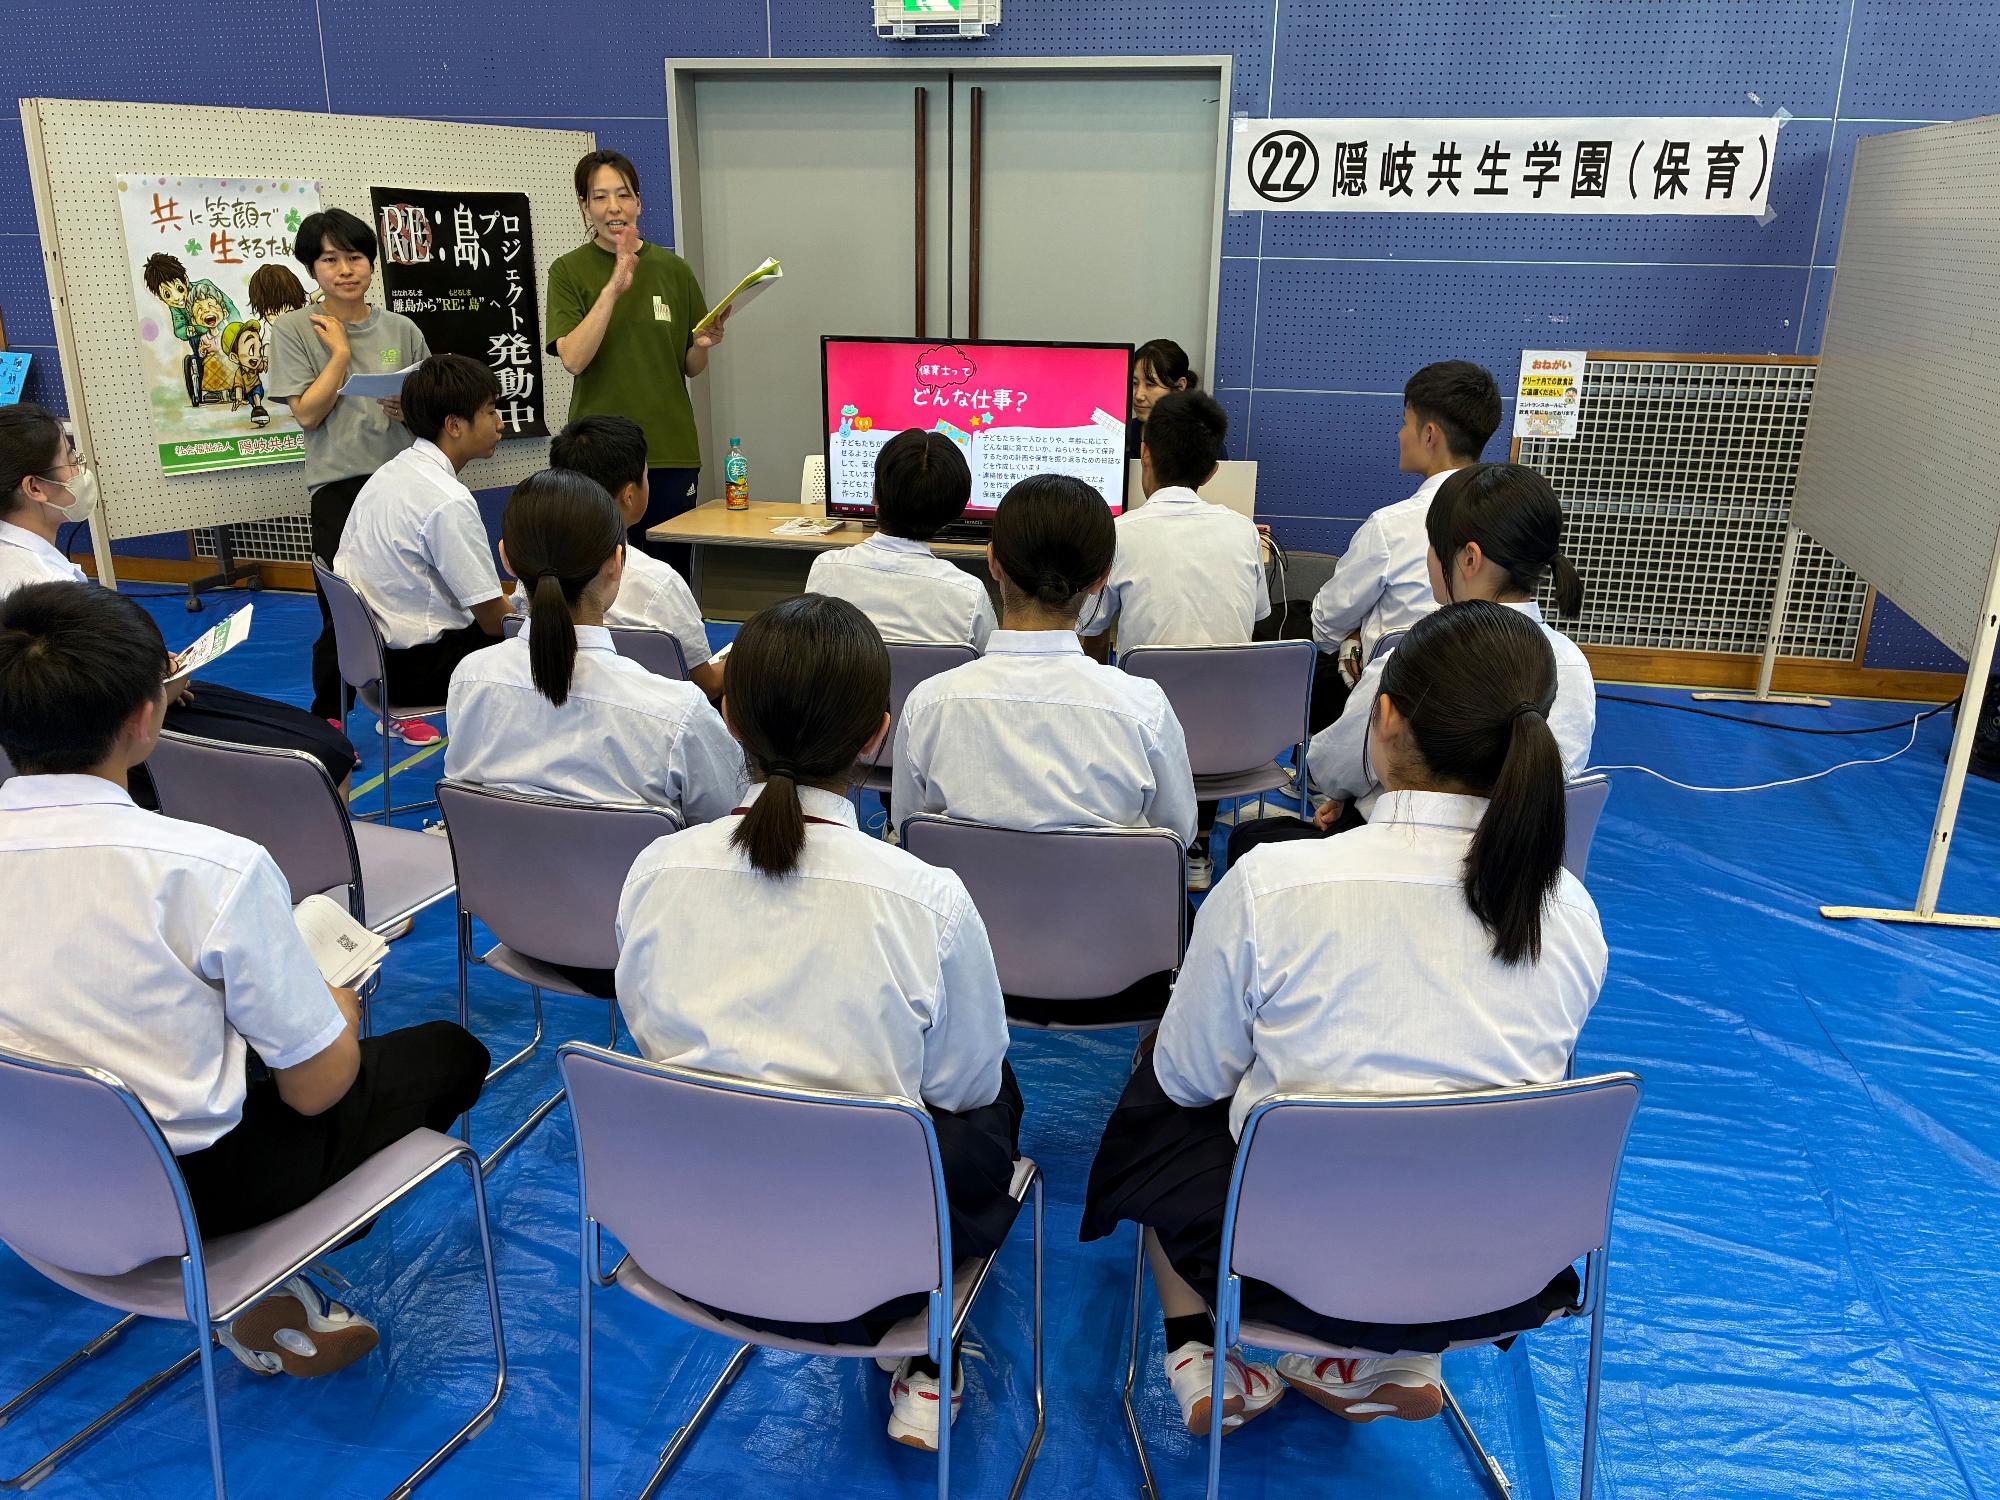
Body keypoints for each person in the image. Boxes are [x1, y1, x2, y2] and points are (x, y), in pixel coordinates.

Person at [1084, 600, 1608, 1437]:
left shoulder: (1274, 886)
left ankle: (1206, 1353)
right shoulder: (1569, 910)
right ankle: (1395, 1351)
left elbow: (1188, 1078)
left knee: (1164, 1081)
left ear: (1386, 718)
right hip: (1494, 1258)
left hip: (1289, 1250)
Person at [0, 580, 489, 1378]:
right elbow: (317, 1090)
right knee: (447, 1053)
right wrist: (334, 1002)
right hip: (187, 1197)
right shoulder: (210, 869)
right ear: (144, 718)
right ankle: (265, 1273)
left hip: (22, 1182)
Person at [615, 594, 1019, 1454]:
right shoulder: (927, 901)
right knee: (991, 1096)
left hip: (684, 1228)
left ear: (728, 719)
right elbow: (966, 1086)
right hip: (868, 1257)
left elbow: (646, 1030)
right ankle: (922, 1353)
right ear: (878, 735)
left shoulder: (654, 870)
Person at [894, 474, 1196, 1023]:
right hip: (1121, 973)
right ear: (1103, 578)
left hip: (962, 966)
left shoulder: (929, 705)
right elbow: (1179, 836)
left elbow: (912, 835)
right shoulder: (1142, 707)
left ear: (993, 562)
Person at [444, 470, 743, 994]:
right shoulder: (674, 711)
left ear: (506, 559)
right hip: (651, 942)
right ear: (616, 563)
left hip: (514, 927)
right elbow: (732, 829)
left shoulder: (470, 680)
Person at [1231, 461, 1595, 862]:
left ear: (1469, 559)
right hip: (1515, 867)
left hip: (1399, 859)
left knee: (1250, 842)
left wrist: (1363, 799)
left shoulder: (1416, 653)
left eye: (1434, 545)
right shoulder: (1573, 666)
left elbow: (1333, 765)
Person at [0, 404, 357, 802]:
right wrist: (157, 686)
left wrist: (151, 671)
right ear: (34, 488)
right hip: (102, 742)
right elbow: (82, 701)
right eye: (70, 460)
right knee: (323, 756)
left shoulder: (25, 561)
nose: (82, 470)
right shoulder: (36, 583)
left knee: (319, 741)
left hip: (116, 711)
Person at [1081, 389, 1266, 890]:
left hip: (1141, 737)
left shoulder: (1121, 533)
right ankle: (1199, 844)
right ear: (1211, 474)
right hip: (1234, 736)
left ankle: (1138, 837)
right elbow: (1252, 620)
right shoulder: (1244, 532)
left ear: (1144, 452)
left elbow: (1091, 632)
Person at [266, 207, 432, 731]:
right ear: (311, 269)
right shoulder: (295, 329)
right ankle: (329, 719)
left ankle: (401, 708)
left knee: (407, 597)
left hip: (401, 480)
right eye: (329, 259)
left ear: (371, 264)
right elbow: (308, 412)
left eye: (355, 256)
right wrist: (339, 354)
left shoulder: (402, 328)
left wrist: (409, 409)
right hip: (338, 485)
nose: (345, 269)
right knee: (342, 605)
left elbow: (430, 409)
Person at [547, 149, 728, 579]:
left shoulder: (673, 269)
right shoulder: (568, 271)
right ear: (584, 206)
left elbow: (690, 365)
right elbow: (572, 358)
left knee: (670, 572)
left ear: (639, 202)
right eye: (600, 197)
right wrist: (614, 286)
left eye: (623, 195)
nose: (613, 207)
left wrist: (704, 343)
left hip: (670, 447)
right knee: (600, 573)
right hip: (596, 453)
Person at [1307, 360, 1501, 727]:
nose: (1399, 434)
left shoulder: (1392, 526)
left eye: (1405, 423)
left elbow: (1324, 625)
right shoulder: (1507, 519)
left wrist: (1355, 628)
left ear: (1429, 434)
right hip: (1481, 706)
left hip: (1393, 713)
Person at [334, 355, 507, 706]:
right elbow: (493, 621)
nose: (500, 423)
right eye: (490, 411)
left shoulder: (391, 472)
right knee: (549, 648)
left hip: (376, 661)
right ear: (455, 425)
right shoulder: (447, 501)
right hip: (422, 671)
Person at [546, 415, 725, 699]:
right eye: (646, 475)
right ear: (629, 495)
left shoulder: (533, 575)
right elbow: (707, 684)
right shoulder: (657, 581)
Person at [805, 427, 996, 652]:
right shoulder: (969, 594)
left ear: (875, 494)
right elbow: (989, 664)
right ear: (954, 512)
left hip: (847, 688)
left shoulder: (825, 570)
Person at [1128, 338, 1199, 461]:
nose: (1138, 396)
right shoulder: (1121, 434)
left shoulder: (1202, 439)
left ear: (1180, 386)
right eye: (1134, 383)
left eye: (1150, 384)